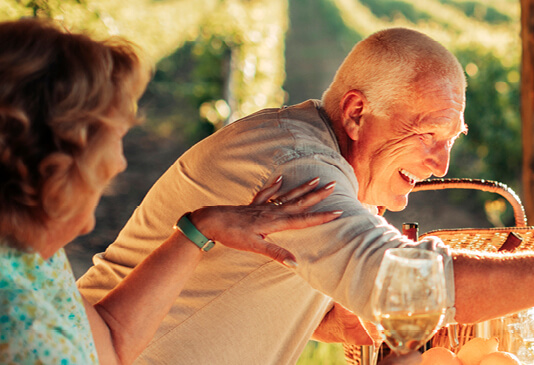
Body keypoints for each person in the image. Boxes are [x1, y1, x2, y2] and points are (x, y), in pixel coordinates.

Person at [76, 27, 534, 363]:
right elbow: (397, 282)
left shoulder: (332, 169)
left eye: (452, 140)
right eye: (426, 135)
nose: (441, 163)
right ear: (356, 112)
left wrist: (347, 322)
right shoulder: (298, 169)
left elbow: (300, 298)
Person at [0, 19, 416, 365]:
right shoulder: (17, 321)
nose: (119, 163)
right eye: (110, 140)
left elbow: (109, 342)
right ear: (54, 158)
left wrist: (200, 228)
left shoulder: (31, 258)